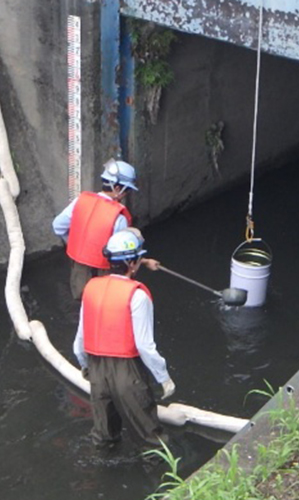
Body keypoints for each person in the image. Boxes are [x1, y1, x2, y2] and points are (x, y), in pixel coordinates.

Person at [72, 228, 176, 448]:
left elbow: (79, 341)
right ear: (132, 264)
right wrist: (164, 378)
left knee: (104, 436)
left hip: (96, 369)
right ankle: (161, 478)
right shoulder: (136, 295)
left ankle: (104, 474)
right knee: (151, 438)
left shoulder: (91, 288)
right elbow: (144, 346)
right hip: (127, 372)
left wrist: (85, 366)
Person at [52, 159, 159, 299]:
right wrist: (144, 262)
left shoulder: (80, 201)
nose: (126, 194)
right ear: (117, 188)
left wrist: (76, 245)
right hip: (103, 272)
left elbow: (58, 226)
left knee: (83, 302)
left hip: (79, 269)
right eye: (126, 191)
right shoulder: (118, 217)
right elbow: (122, 254)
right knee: (105, 303)